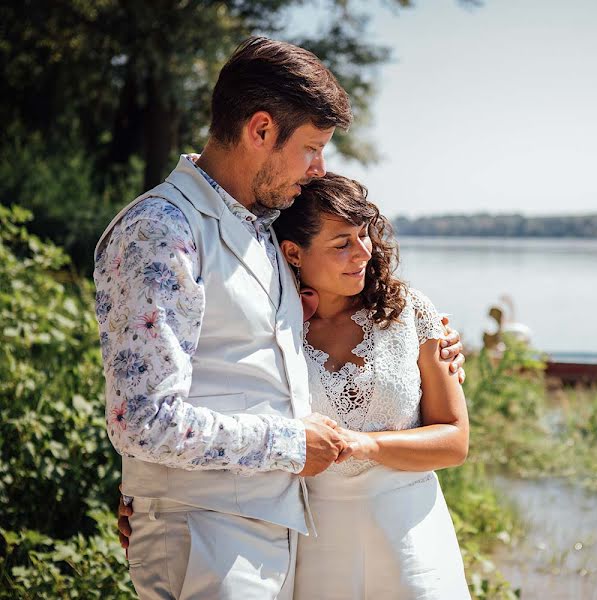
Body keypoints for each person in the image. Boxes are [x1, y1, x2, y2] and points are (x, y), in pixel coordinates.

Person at [94, 36, 464, 599]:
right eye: (313, 148)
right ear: (261, 130)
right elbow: (143, 421)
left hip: (281, 534)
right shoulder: (161, 232)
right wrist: (287, 446)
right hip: (207, 536)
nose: (319, 170)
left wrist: (431, 338)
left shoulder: (264, 231)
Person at [275, 173, 470, 599]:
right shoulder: (272, 329)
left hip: (412, 535)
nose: (362, 251)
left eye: (363, 235)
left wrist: (367, 445)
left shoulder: (410, 312)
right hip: (317, 544)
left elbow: (455, 441)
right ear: (293, 252)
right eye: (341, 243)